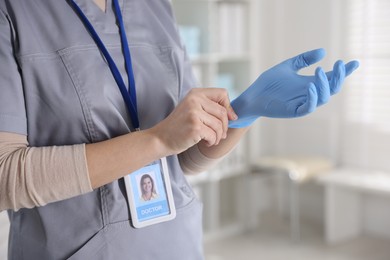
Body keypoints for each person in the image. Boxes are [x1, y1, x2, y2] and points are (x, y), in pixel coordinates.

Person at [0, 0, 358, 259]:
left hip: (176, 244)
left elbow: (183, 156)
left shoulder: (156, 8)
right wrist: (156, 139)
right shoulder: (13, 11)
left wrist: (246, 110)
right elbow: (5, 177)